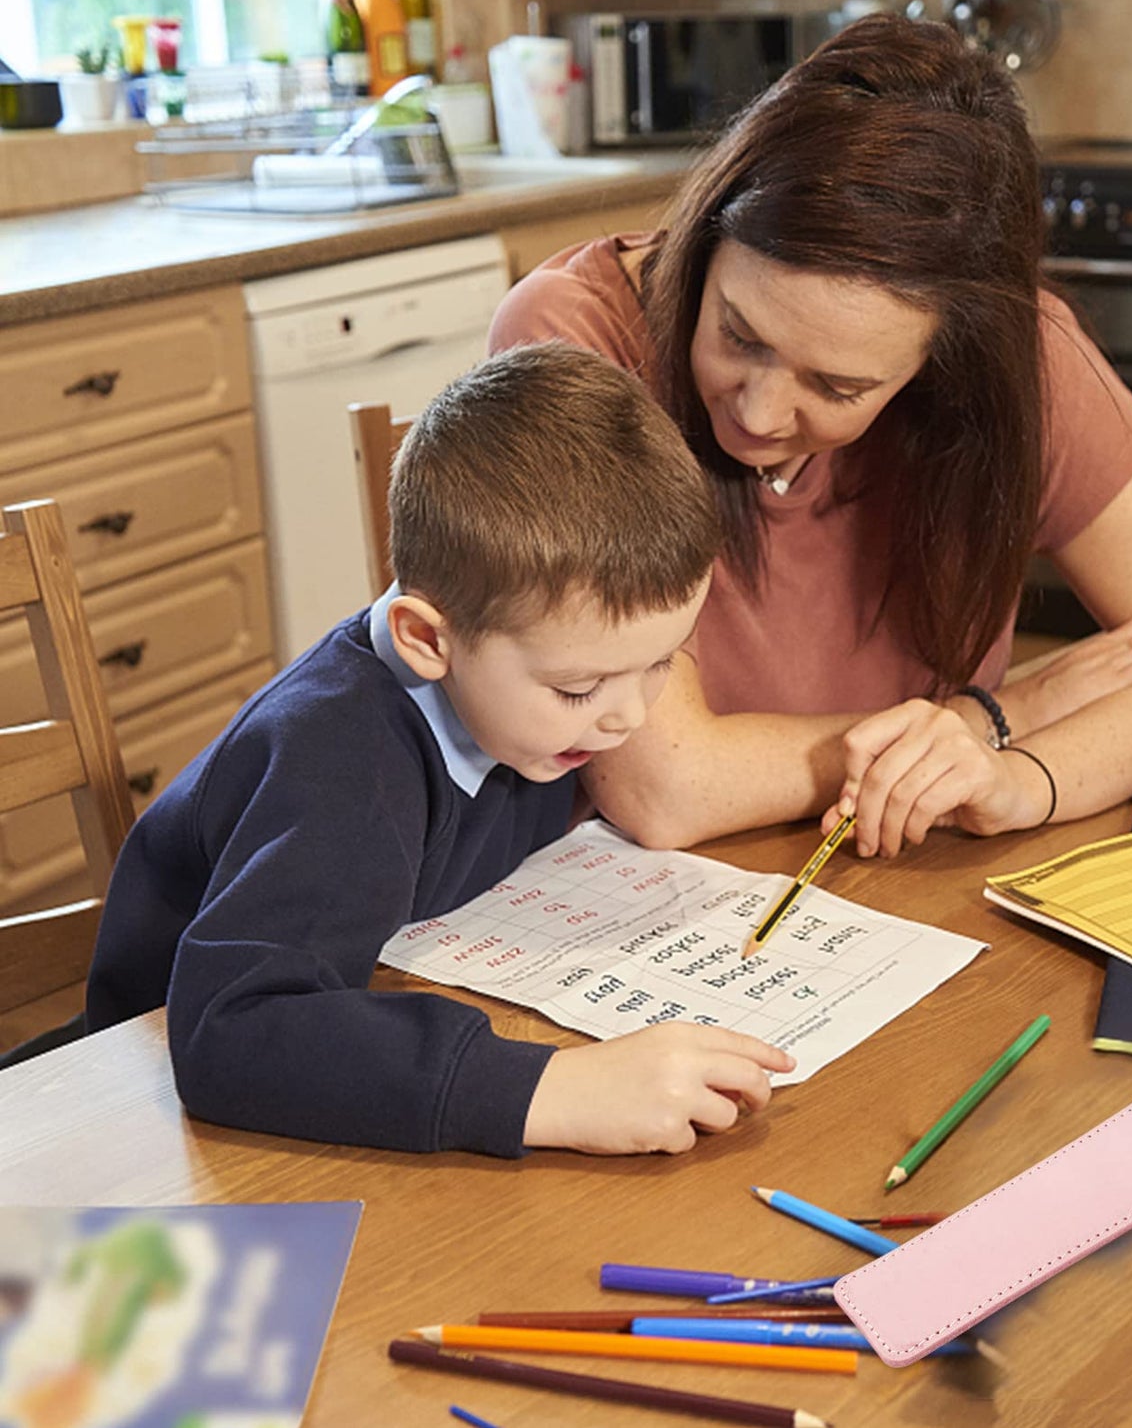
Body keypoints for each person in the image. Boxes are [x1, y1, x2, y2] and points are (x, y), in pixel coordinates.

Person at [488, 13, 1132, 861]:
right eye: (739, 332)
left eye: (838, 386)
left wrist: (1025, 779)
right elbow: (667, 786)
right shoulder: (574, 337)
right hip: (645, 909)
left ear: (944, 365)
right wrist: (1003, 714)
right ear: (710, 232)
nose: (758, 414)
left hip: (913, 881)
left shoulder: (1023, 360)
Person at [85, 342, 792, 1158]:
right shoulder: (340, 766)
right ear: (425, 638)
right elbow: (227, 1032)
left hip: (388, 998)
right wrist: (548, 1091)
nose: (627, 717)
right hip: (138, 1121)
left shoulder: (526, 701)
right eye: (577, 688)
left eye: (661, 662)